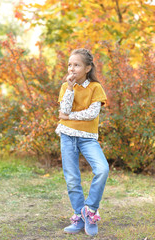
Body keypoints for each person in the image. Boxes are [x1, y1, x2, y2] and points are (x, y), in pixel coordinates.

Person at [55, 48, 109, 237]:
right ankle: (79, 215)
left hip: (88, 138)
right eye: (70, 65)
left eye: (76, 65)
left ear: (87, 68)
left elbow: (91, 114)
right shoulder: (65, 87)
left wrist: (68, 116)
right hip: (67, 135)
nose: (72, 68)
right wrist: (70, 88)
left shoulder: (96, 88)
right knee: (72, 179)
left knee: (102, 169)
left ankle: (90, 210)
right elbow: (65, 108)